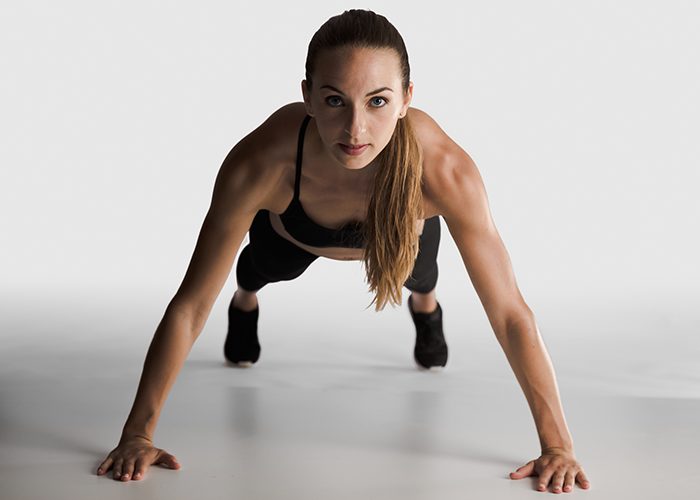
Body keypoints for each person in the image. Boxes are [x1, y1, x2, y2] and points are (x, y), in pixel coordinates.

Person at [96, 8, 591, 494]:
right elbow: (192, 303)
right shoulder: (262, 163)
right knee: (257, 271)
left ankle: (426, 307)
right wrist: (137, 434)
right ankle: (247, 299)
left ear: (406, 99)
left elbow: (509, 313)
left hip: (396, 236)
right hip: (295, 234)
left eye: (377, 102)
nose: (355, 131)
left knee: (421, 276)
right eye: (335, 101)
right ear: (308, 96)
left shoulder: (443, 171)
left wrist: (558, 446)